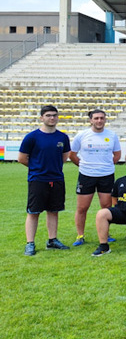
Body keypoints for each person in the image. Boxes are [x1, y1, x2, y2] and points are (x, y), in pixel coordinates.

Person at [19, 105, 71, 256]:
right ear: (42, 118)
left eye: (54, 115)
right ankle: (30, 243)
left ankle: (52, 240)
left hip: (56, 179)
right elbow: (22, 158)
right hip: (38, 179)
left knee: (54, 211)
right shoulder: (32, 137)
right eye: (48, 115)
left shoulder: (62, 137)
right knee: (33, 212)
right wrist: (37, 167)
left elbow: (64, 156)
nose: (52, 118)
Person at [69, 109, 121, 246]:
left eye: (102, 118)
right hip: (86, 175)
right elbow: (72, 154)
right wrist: (84, 165)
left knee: (106, 206)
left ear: (105, 119)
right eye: (96, 118)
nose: (99, 121)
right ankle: (80, 235)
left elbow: (117, 154)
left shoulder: (112, 135)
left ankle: (106, 234)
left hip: (106, 175)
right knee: (82, 207)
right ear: (91, 120)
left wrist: (105, 165)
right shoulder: (82, 135)